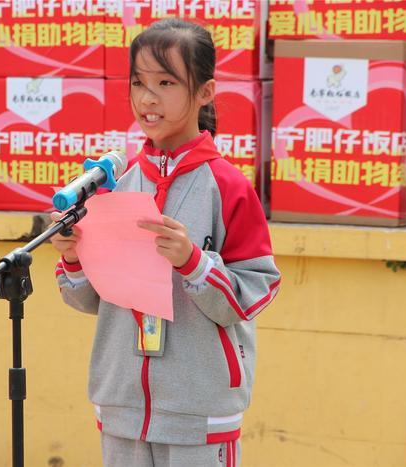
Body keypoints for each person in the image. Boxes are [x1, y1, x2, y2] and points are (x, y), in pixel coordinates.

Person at [49, 18, 281, 467]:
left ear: (205, 92)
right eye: (138, 82)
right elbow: (91, 301)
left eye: (166, 82)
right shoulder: (111, 186)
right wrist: (75, 260)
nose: (147, 98)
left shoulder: (227, 186)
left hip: (199, 412)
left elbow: (259, 289)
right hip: (122, 407)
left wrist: (195, 263)